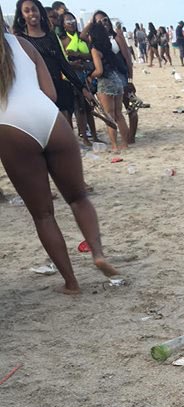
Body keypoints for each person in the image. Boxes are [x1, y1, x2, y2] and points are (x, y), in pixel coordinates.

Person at [0, 8, 117, 291]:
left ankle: (71, 282)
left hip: (11, 127)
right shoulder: (23, 44)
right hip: (50, 118)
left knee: (43, 215)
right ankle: (98, 254)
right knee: (78, 198)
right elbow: (51, 93)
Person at [13, 0, 74, 122]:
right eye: (26, 11)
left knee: (65, 126)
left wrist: (82, 88)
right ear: (22, 15)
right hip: (37, 92)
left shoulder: (51, 36)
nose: (31, 13)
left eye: (34, 9)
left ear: (40, 12)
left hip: (59, 87)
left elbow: (63, 63)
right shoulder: (19, 40)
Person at [87, 20, 128, 151]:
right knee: (119, 114)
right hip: (117, 80)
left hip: (105, 83)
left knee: (109, 116)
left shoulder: (95, 49)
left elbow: (99, 71)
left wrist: (90, 75)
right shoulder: (108, 47)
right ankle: (125, 143)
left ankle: (114, 145)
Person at [61, 10, 95, 144]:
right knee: (79, 107)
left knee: (89, 107)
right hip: (73, 76)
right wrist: (74, 62)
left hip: (86, 74)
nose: (71, 23)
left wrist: (78, 55)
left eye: (73, 21)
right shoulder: (63, 40)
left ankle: (94, 135)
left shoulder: (82, 37)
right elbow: (63, 60)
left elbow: (91, 54)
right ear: (63, 24)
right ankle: (84, 137)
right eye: (68, 21)